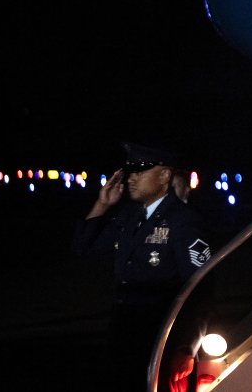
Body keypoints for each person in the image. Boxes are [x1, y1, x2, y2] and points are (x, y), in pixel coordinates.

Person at [73, 143, 212, 392]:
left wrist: (187, 347)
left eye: (140, 172)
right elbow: (84, 247)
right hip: (124, 328)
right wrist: (102, 205)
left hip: (160, 333)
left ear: (164, 176)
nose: (131, 178)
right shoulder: (130, 215)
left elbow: (199, 287)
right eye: (131, 172)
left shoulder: (183, 220)